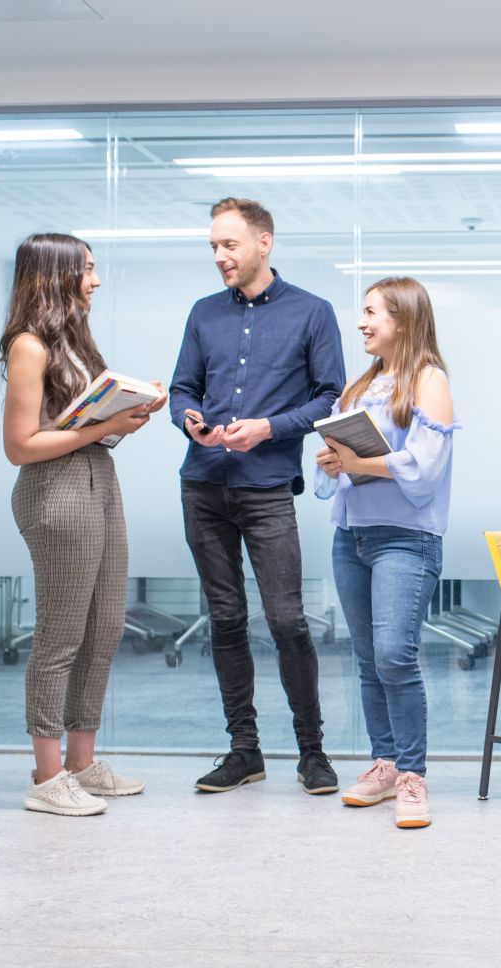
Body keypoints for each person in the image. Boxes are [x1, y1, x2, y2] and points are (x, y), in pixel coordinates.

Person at [169, 197, 346, 795]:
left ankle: (312, 752)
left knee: (287, 620)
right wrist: (188, 417)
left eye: (230, 245)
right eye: (214, 246)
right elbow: (181, 389)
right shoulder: (202, 313)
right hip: (203, 485)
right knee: (224, 619)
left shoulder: (312, 312)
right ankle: (244, 750)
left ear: (263, 243)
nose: (220, 256)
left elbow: (330, 397)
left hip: (267, 487)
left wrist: (269, 428)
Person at [0, 233, 167, 816]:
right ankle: (47, 780)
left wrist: (132, 409)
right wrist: (105, 427)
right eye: (87, 270)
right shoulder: (29, 345)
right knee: (60, 638)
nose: (94, 281)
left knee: (104, 628)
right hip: (57, 493)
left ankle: (81, 761)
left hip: (98, 481)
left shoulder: (74, 341)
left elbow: (82, 421)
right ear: (55, 275)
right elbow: (20, 446)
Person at [315, 276, 456, 829]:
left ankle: (414, 776)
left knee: (396, 655)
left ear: (404, 318)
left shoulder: (429, 380)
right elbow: (338, 472)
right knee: (371, 661)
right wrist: (334, 462)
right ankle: (385, 764)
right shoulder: (359, 386)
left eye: (372, 312)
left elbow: (424, 469)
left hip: (406, 538)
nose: (362, 322)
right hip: (352, 538)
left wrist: (358, 464)